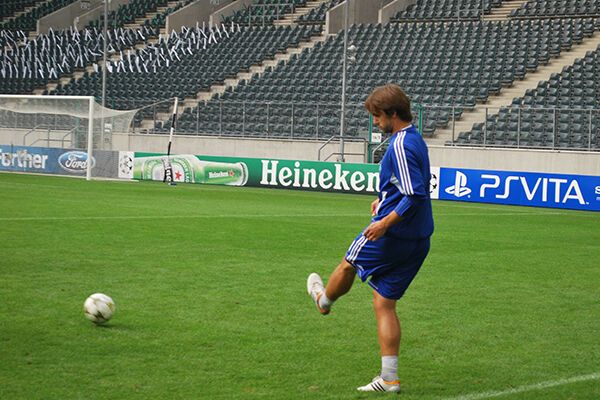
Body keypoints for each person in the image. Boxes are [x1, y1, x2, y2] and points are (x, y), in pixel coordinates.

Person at [307, 84, 434, 393]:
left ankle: (323, 301)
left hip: (392, 236)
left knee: (348, 263)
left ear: (392, 114)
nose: (375, 122)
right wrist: (384, 200)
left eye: (377, 116)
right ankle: (389, 378)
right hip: (419, 239)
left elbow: (415, 193)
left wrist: (385, 222)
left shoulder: (400, 145)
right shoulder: (415, 140)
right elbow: (406, 186)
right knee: (384, 303)